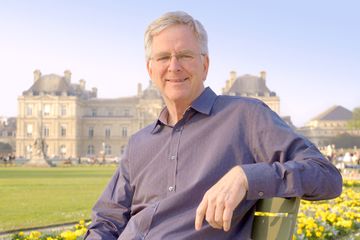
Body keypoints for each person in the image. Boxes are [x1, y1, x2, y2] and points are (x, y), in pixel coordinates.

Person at [85, 11, 342, 239]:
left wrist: (246, 176)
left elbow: (327, 176)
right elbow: (107, 220)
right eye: (163, 57)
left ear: (205, 65)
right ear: (150, 69)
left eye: (185, 55)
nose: (174, 66)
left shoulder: (244, 116)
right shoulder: (139, 142)